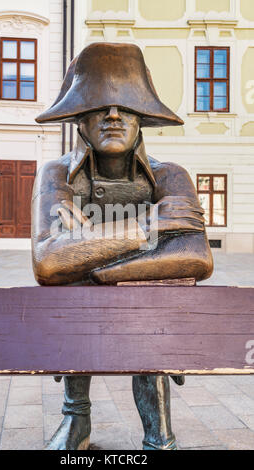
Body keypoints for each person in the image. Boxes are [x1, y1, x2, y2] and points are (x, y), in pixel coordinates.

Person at [32, 42, 213, 450]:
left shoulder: (170, 176)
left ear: (141, 118)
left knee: (147, 305)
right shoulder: (56, 174)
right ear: (80, 116)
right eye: (99, 105)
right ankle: (76, 418)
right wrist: (149, 226)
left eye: (127, 106)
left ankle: (159, 434)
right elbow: (47, 262)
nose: (113, 116)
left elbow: (197, 257)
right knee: (76, 297)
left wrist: (98, 265)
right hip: (78, 317)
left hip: (149, 316)